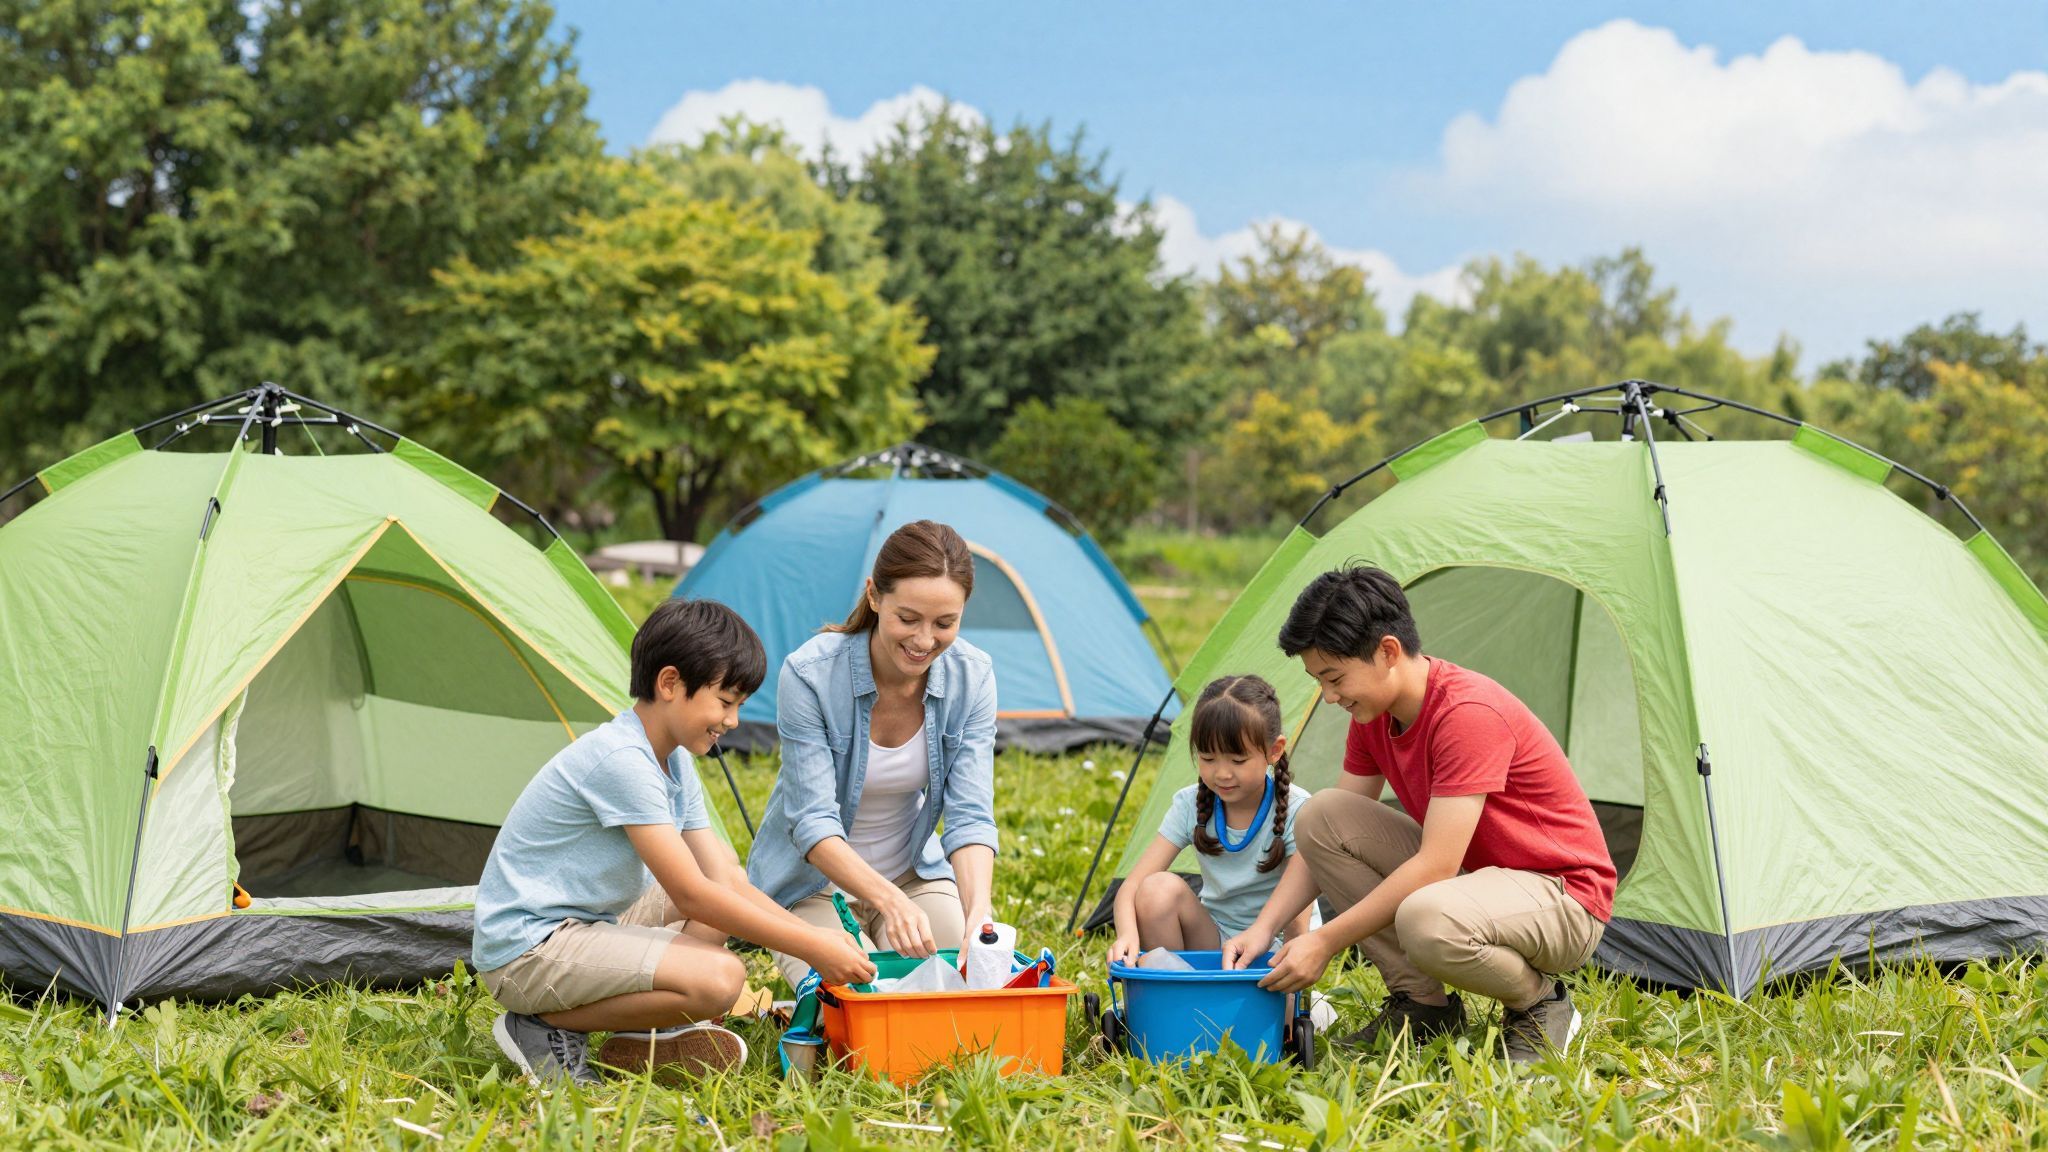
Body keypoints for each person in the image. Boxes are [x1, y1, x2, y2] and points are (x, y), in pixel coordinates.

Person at [1222, 565, 1615, 1065]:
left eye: (1335, 678)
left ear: (1387, 651)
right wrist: (1265, 928)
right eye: (1318, 680)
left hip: (1564, 898)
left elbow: (1435, 867)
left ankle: (1541, 1004)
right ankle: (1424, 1007)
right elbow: (1328, 836)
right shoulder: (1374, 715)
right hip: (1480, 881)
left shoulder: (1466, 712)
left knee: (1425, 917)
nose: (1329, 696)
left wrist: (1322, 941)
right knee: (1321, 816)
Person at [473, 599, 876, 1085]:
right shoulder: (623, 760)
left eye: (739, 706)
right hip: (526, 951)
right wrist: (813, 944)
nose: (731, 721)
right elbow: (690, 894)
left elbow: (723, 876)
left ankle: (652, 1031)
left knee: (718, 902)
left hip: (583, 923)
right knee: (720, 979)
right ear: (669, 684)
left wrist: (811, 940)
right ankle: (540, 1026)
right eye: (725, 702)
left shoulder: (672, 758)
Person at [747, 520, 1000, 990]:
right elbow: (813, 823)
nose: (925, 640)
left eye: (945, 623)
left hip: (911, 875)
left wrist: (977, 910)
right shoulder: (810, 675)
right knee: (860, 990)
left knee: (964, 980)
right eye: (909, 618)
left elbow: (970, 814)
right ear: (874, 596)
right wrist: (887, 902)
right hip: (813, 887)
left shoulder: (974, 677)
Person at [1108, 675, 1312, 964]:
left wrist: (1294, 987)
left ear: (1274, 750)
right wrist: (1127, 935)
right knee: (1156, 889)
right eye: (1208, 758)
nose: (1222, 774)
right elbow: (1131, 887)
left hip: (1271, 948)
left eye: (1237, 761)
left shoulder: (1299, 809)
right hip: (1214, 938)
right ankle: (1181, 994)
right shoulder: (1190, 804)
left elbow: (1298, 924)